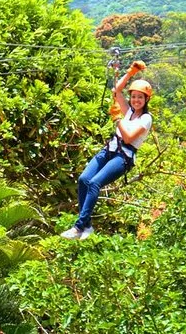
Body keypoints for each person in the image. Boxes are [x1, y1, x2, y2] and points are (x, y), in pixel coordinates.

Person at [61, 61, 152, 240]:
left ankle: (79, 227)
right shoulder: (129, 112)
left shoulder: (146, 118)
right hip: (110, 149)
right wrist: (130, 72)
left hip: (123, 156)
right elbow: (116, 91)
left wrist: (118, 119)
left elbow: (128, 138)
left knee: (95, 183)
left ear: (146, 99)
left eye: (140, 97)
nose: (136, 100)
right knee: (84, 179)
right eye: (134, 96)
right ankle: (87, 225)